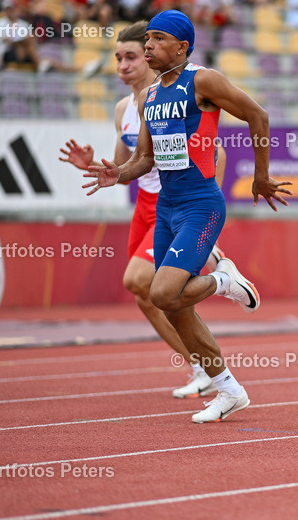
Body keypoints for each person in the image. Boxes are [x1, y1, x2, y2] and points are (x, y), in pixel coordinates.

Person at [82, 10, 292, 423]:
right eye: (148, 40)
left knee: (161, 293)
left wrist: (261, 176)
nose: (148, 47)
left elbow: (258, 116)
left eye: (157, 39)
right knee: (176, 308)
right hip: (167, 209)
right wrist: (117, 174)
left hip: (201, 204)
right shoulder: (149, 96)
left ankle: (223, 281)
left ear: (182, 46)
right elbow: (145, 158)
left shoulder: (203, 81)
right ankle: (229, 390)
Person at [60, 21, 242, 398]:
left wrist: (209, 207)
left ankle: (218, 270)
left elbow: (216, 151)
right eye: (119, 57)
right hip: (146, 205)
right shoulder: (124, 108)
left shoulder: (182, 91)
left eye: (133, 55)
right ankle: (199, 366)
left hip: (180, 201)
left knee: (142, 282)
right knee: (145, 295)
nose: (126, 64)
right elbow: (126, 163)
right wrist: (96, 165)